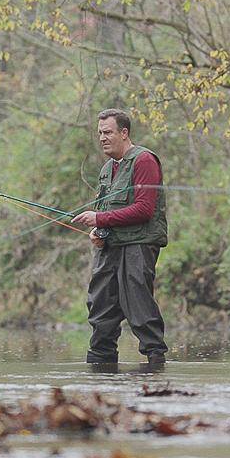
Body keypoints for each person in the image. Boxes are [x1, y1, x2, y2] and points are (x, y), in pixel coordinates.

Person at [70, 109, 168, 372]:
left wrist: (100, 219)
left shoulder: (144, 160)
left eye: (108, 132)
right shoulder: (106, 169)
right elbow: (106, 211)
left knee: (139, 307)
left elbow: (144, 209)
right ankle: (100, 376)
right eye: (100, 133)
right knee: (100, 308)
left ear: (124, 133)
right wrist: (98, 231)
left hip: (139, 245)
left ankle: (156, 371)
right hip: (110, 246)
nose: (102, 138)